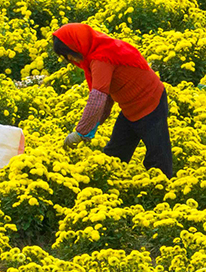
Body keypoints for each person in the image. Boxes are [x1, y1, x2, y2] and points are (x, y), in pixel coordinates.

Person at [53, 23, 172, 178]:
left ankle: (163, 189)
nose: (69, 58)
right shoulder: (95, 53)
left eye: (68, 52)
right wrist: (93, 125)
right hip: (130, 107)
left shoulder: (101, 57)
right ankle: (108, 187)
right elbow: (106, 96)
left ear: (77, 44)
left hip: (150, 102)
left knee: (158, 156)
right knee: (114, 155)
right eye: (65, 56)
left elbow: (98, 97)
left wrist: (81, 132)